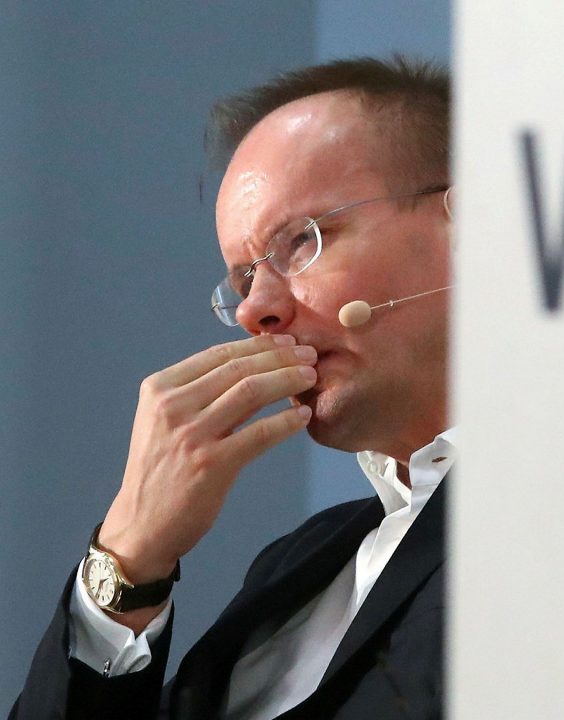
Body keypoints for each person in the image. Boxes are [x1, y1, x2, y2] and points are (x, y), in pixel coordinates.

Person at [9, 56, 453, 719]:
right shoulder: (295, 567)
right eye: (244, 279)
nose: (254, 311)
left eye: (301, 242)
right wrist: (129, 561)